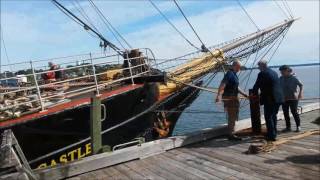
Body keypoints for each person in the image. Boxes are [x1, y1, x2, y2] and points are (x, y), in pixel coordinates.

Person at [215, 60, 249, 140]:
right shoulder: (229, 74)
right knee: (232, 116)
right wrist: (218, 95)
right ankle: (231, 134)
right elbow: (222, 84)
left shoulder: (234, 75)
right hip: (230, 99)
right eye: (238, 67)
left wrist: (244, 94)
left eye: (240, 67)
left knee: (233, 116)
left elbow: (236, 87)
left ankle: (231, 133)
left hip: (233, 98)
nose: (239, 68)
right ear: (234, 66)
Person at [252, 60, 284, 141]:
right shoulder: (274, 72)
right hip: (279, 98)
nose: (258, 68)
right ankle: (273, 133)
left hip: (270, 98)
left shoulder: (262, 73)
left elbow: (257, 86)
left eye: (258, 66)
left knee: (268, 116)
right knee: (273, 115)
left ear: (262, 66)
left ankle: (271, 136)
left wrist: (253, 94)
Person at [279, 65, 303, 132]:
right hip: (284, 99)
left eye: (283, 71)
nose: (281, 73)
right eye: (281, 72)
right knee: (285, 113)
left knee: (294, 112)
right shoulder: (280, 78)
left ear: (287, 71)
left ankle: (298, 126)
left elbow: (301, 85)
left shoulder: (294, 78)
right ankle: (288, 127)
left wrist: (300, 93)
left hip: (293, 98)